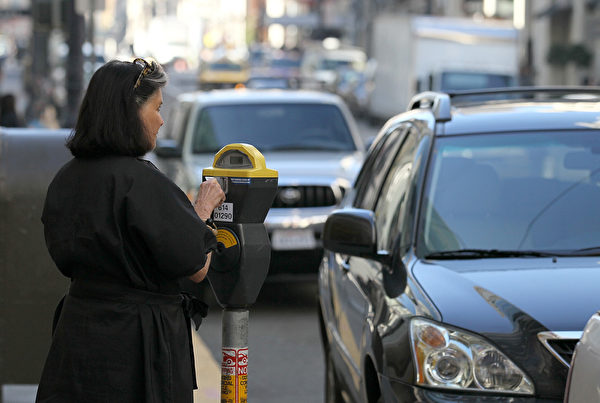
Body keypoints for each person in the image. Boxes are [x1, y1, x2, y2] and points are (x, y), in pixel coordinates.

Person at [35, 58, 225, 403]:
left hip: (77, 336)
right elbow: (195, 265)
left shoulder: (66, 178)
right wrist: (203, 208)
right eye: (157, 107)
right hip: (137, 348)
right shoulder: (142, 182)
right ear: (130, 112)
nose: (161, 120)